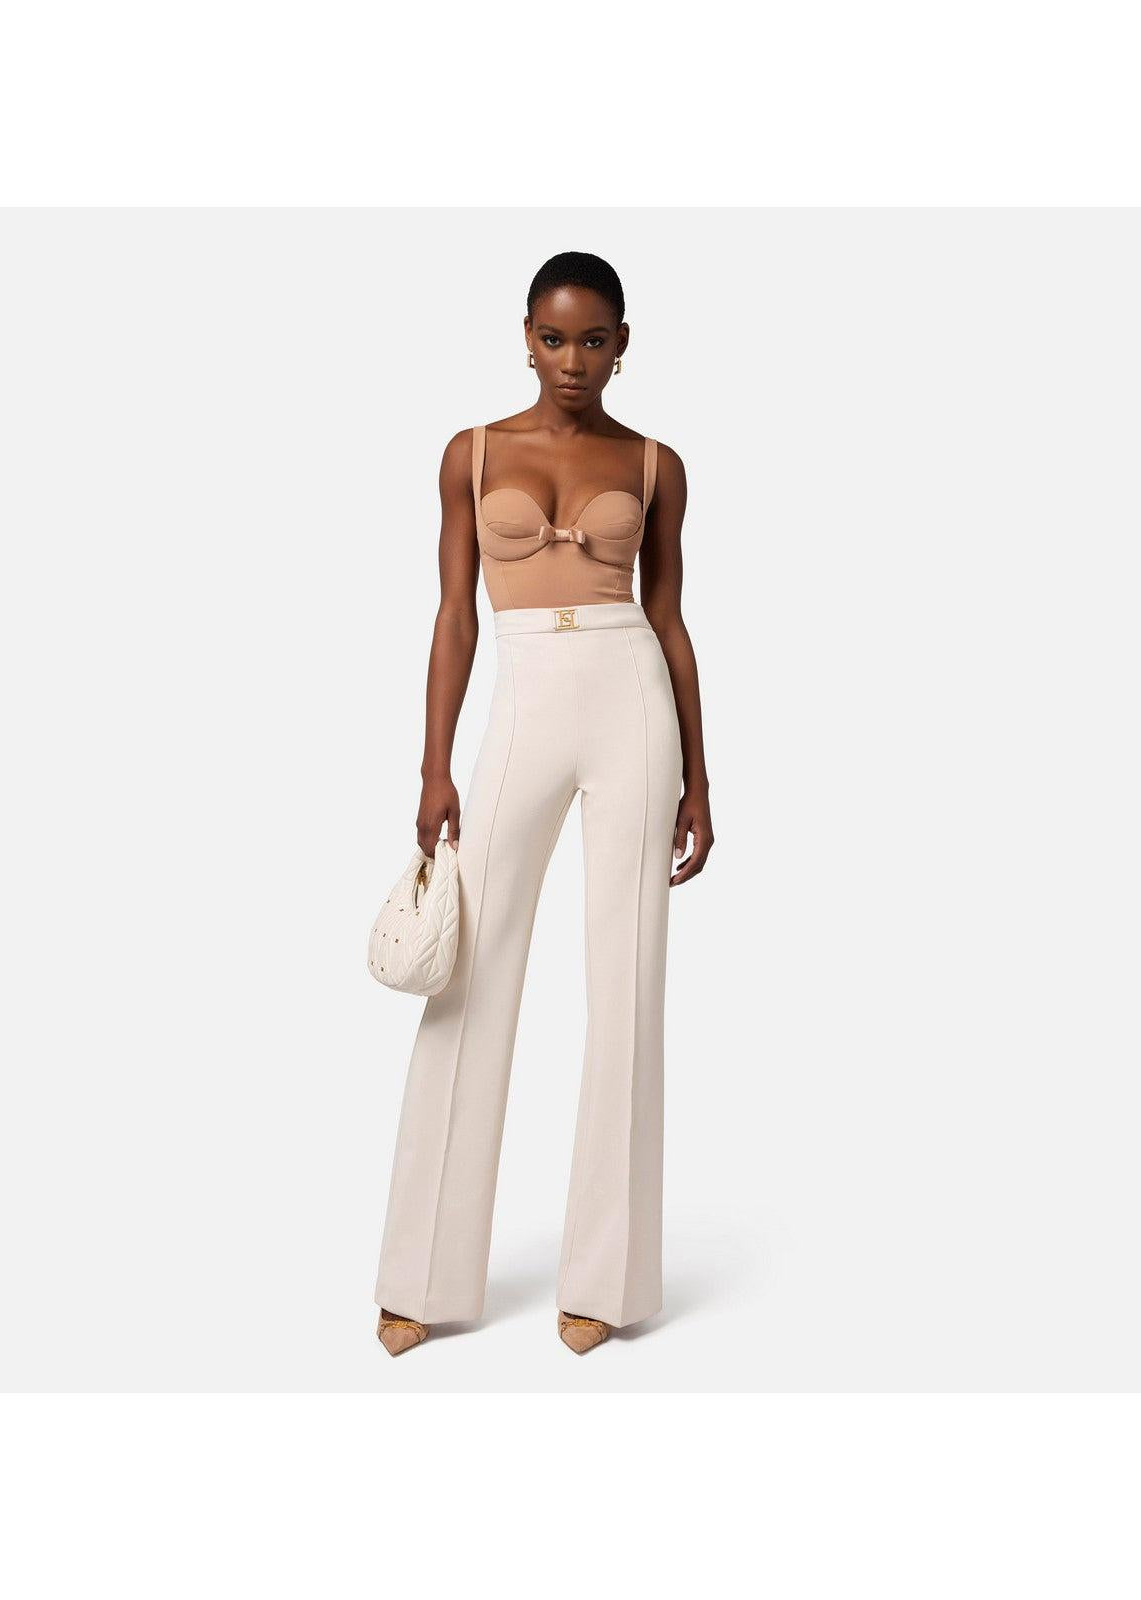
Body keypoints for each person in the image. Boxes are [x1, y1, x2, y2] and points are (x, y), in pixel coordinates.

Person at [373, 251, 714, 1355]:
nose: (573, 360)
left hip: (633, 703)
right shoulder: (472, 453)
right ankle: (422, 1276)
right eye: (555, 338)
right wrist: (435, 766)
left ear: (623, 344)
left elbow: (669, 621)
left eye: (594, 340)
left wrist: (700, 776)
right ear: (526, 337)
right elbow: (454, 617)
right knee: (471, 970)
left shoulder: (655, 464)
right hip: (523, 698)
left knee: (628, 980)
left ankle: (606, 1281)